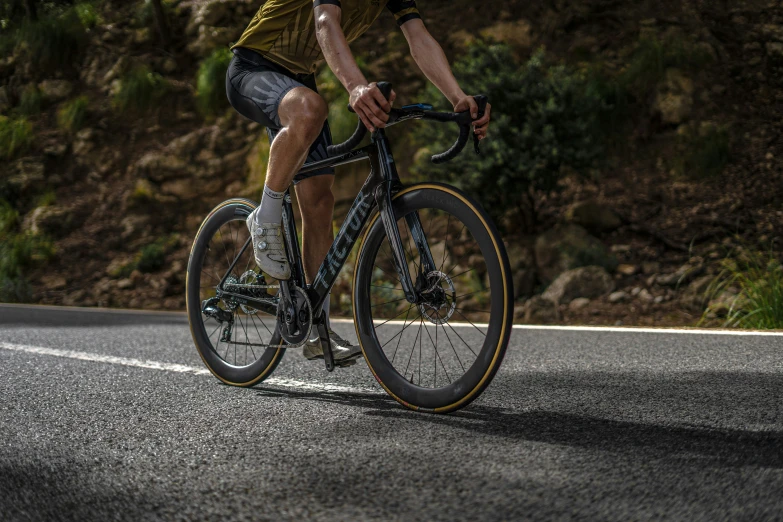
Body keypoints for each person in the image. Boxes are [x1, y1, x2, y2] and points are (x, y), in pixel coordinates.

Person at [225, 0, 492, 363]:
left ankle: (316, 328)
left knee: (320, 201)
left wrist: (457, 97)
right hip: (252, 67)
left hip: (300, 77)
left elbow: (418, 36)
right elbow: (324, 20)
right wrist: (355, 87)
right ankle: (265, 215)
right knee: (309, 108)